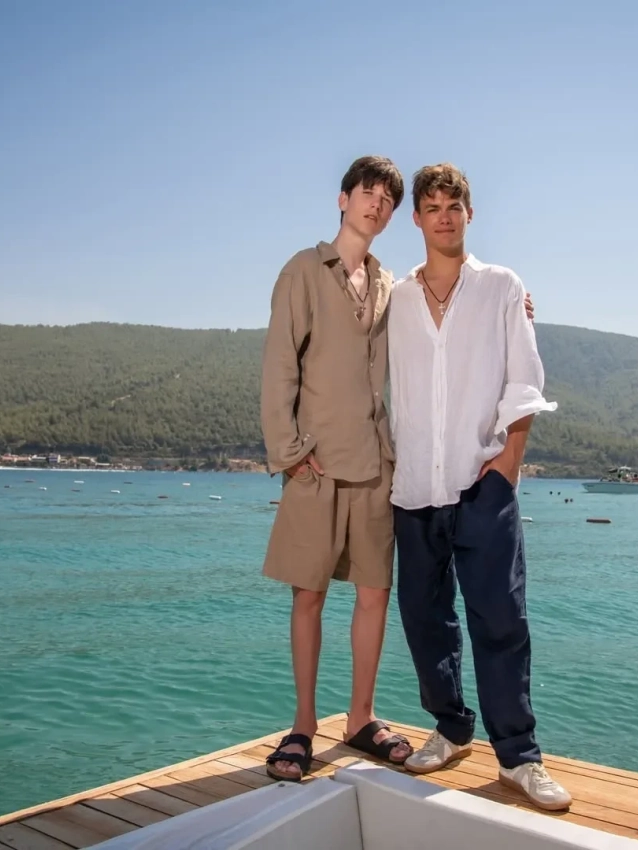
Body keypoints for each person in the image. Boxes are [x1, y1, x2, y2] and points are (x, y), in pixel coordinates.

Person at [388, 163, 572, 812]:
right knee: (423, 618)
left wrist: (510, 462)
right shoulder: (394, 299)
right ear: (416, 218)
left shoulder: (501, 287)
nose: (443, 217)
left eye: (454, 206)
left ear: (470, 214)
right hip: (414, 484)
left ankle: (519, 758)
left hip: (482, 480)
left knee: (500, 619)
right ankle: (450, 728)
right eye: (432, 207)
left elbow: (525, 376)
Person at [259, 155, 414, 782]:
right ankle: (303, 726)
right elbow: (279, 368)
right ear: (343, 199)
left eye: (388, 200)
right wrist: (292, 453)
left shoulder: (390, 284)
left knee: (375, 593)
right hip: (315, 466)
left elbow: (440, 318)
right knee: (310, 595)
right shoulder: (303, 269)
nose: (377, 204)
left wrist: (514, 308)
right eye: (367, 192)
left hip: (376, 466)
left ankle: (360, 719)